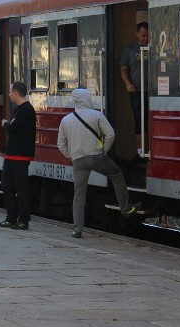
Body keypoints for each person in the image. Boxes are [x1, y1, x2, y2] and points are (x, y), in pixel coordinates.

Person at [57, 88, 138, 238]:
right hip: (97, 158)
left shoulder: (66, 120)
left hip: (78, 161)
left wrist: (71, 156)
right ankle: (126, 209)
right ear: (88, 99)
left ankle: (77, 229)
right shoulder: (96, 115)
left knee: (79, 194)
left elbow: (60, 144)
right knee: (117, 175)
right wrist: (104, 150)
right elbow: (111, 134)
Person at [0, 82, 36, 230]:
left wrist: (5, 124)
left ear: (16, 93)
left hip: (21, 156)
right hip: (11, 156)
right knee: (7, 187)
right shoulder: (18, 110)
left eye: (11, 92)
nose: (9, 94)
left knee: (21, 188)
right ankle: (10, 217)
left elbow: (13, 129)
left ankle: (23, 220)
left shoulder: (26, 110)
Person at [120, 21, 149, 160]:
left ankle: (150, 150)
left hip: (151, 91)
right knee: (139, 121)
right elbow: (123, 69)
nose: (146, 39)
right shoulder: (130, 50)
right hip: (136, 91)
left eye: (147, 36)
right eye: (143, 36)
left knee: (150, 120)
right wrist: (128, 84)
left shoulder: (154, 47)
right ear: (137, 34)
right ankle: (140, 152)